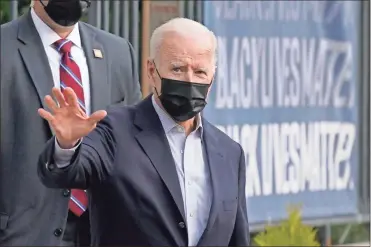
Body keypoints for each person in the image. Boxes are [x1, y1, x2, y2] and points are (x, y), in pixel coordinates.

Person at [37, 18, 250, 246]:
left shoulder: (229, 153)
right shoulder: (114, 131)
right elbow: (67, 173)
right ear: (151, 71)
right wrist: (67, 144)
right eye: (177, 69)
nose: (189, 81)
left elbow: (237, 238)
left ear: (212, 77)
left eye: (199, 72)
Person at [0, 0, 141, 245]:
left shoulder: (118, 52)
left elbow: (133, 144)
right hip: (21, 233)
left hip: (101, 231)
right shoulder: (5, 47)